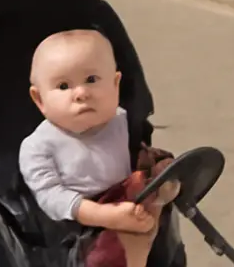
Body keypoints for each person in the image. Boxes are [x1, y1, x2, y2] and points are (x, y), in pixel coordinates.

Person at [19, 30, 178, 267]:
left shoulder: (123, 122)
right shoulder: (38, 147)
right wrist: (104, 215)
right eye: (63, 86)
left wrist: (153, 164)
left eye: (91, 80)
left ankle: (157, 198)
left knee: (148, 177)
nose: (81, 93)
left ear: (115, 85)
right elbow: (51, 197)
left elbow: (138, 155)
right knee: (111, 244)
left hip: (130, 199)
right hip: (82, 227)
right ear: (39, 99)